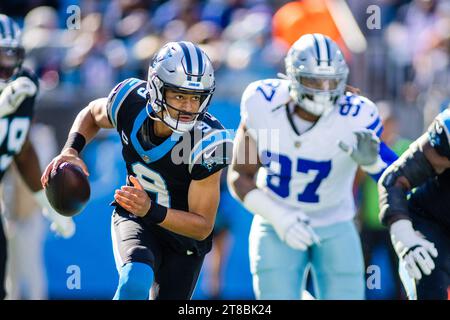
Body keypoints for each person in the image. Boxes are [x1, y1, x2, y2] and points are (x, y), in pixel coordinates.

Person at [41, 41, 233, 300]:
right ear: (156, 88)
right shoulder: (129, 100)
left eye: (195, 97)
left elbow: (202, 226)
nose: (188, 107)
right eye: (179, 95)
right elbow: (92, 114)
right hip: (137, 217)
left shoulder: (208, 141)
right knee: (135, 280)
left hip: (183, 237)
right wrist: (71, 150)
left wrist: (151, 209)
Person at [228, 33, 397, 300]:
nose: (323, 88)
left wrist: (373, 162)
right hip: (274, 217)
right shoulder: (263, 102)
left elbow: (394, 175)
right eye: (314, 80)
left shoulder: (355, 115)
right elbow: (240, 176)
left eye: (331, 80)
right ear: (293, 76)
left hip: (335, 219)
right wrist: (278, 216)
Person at [0, 14, 75, 300]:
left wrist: (47, 204)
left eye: (10, 54)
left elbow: (20, 148)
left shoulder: (24, 84)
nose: (5, 63)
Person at [378, 107, 450, 300]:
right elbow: (395, 180)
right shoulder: (447, 131)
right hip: (434, 227)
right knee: (431, 288)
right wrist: (404, 235)